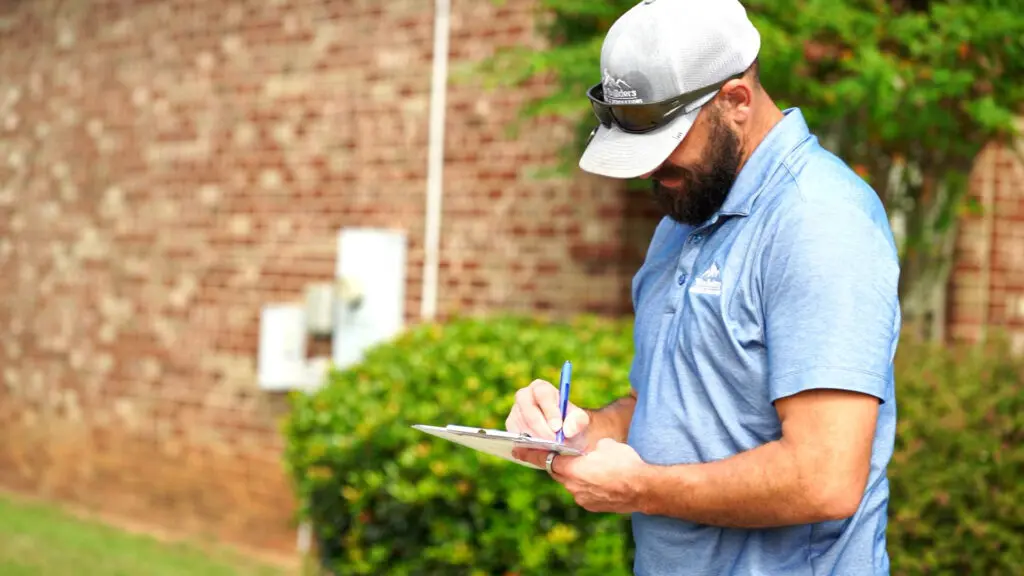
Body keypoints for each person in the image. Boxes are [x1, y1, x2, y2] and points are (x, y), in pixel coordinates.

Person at [505, 0, 902, 574]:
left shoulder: (819, 223)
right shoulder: (685, 216)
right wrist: (582, 431)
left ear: (736, 101)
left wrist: (642, 490)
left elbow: (826, 478)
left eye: (666, 143)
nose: (649, 171)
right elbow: (666, 408)